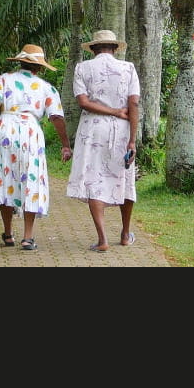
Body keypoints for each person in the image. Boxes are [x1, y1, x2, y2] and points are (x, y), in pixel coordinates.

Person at [0, 43, 72, 251]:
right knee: (31, 178)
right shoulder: (46, 88)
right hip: (30, 132)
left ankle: (8, 233)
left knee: (5, 178)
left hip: (4, 128)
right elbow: (56, 117)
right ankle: (28, 237)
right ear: (39, 67)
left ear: (20, 63)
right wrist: (65, 145)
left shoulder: (2, 79)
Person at [66, 30, 140, 252]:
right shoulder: (128, 69)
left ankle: (102, 239)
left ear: (93, 49)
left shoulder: (82, 68)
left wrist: (112, 112)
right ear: (115, 48)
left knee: (94, 179)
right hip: (122, 130)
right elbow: (134, 104)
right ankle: (125, 234)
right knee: (124, 177)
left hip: (93, 130)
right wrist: (132, 141)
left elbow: (83, 102)